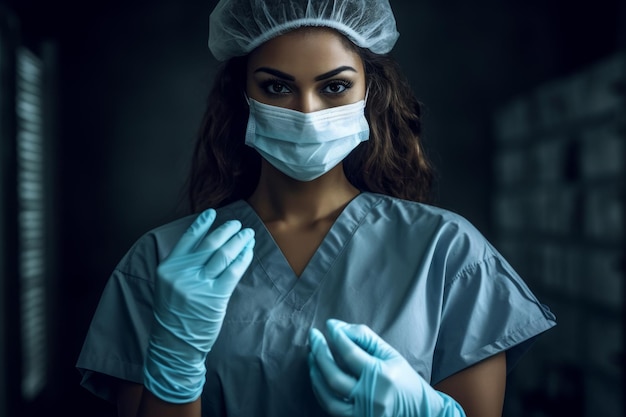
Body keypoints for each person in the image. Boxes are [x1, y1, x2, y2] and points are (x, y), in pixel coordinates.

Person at [76, 1, 557, 416]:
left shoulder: (447, 253)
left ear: (371, 92)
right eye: (277, 88)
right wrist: (175, 360)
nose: (307, 112)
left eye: (333, 87)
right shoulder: (163, 263)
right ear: (242, 96)